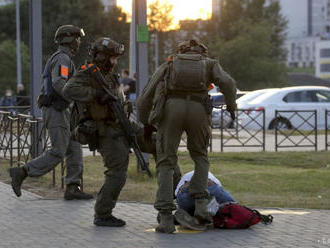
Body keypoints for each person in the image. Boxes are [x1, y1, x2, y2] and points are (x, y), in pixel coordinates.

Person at [137, 39, 237, 233]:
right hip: (199, 110)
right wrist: (232, 107)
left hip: (171, 109)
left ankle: (165, 218)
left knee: (166, 162)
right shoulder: (209, 63)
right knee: (200, 157)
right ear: (202, 52)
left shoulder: (170, 63)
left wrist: (146, 122)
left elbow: (146, 94)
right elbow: (227, 82)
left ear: (181, 52)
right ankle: (201, 206)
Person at [9, 25, 93, 200]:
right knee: (58, 151)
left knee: (75, 148)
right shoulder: (62, 59)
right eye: (77, 38)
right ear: (69, 39)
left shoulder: (65, 58)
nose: (79, 42)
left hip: (64, 111)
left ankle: (72, 187)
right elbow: (59, 83)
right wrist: (76, 96)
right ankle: (22, 171)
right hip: (56, 110)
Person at [62, 37, 131, 227]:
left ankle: (171, 203)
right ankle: (102, 213)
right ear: (101, 57)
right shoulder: (88, 73)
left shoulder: (108, 75)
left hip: (120, 125)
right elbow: (69, 89)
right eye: (112, 58)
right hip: (104, 130)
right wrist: (95, 95)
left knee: (157, 143)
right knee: (117, 173)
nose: (115, 62)